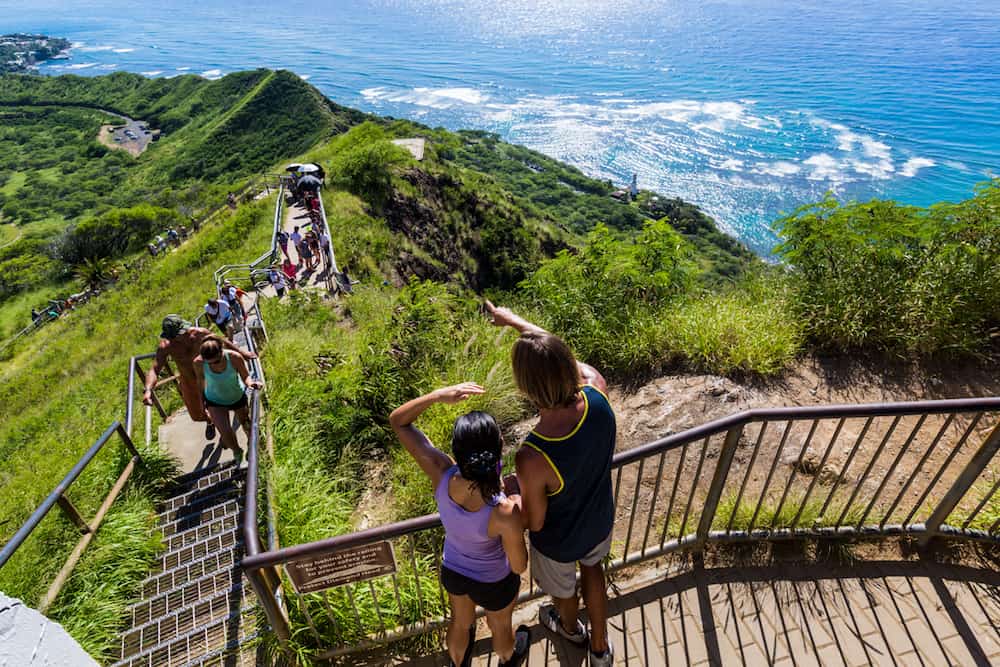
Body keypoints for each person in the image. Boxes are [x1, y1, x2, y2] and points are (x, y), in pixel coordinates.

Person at [485, 301, 616, 667]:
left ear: (526, 388)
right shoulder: (598, 392)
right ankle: (601, 649)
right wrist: (515, 322)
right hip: (599, 520)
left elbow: (536, 521)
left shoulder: (533, 453)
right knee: (593, 569)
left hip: (560, 541)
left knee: (564, 592)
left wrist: (513, 492)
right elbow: (560, 359)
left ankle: (570, 628)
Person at [390, 384, 530, 667]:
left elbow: (398, 421)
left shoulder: (441, 472)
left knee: (460, 623)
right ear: (498, 448)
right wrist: (517, 502)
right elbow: (518, 565)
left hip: (454, 570)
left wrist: (437, 395)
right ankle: (507, 658)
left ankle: (457, 662)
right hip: (495, 580)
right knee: (500, 626)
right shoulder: (504, 509)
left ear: (457, 450)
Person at [142, 315, 257, 440]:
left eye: (180, 333)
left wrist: (242, 353)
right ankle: (210, 421)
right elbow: (155, 368)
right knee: (196, 416)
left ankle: (229, 435)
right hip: (189, 382)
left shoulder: (200, 334)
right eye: (173, 337)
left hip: (209, 378)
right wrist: (148, 390)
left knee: (227, 405)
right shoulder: (166, 347)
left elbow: (222, 342)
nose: (178, 338)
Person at [195, 338, 262, 466]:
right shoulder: (198, 363)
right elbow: (200, 382)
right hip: (214, 400)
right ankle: (237, 452)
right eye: (210, 363)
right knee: (224, 431)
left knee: (246, 423)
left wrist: (251, 383)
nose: (214, 364)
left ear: (222, 351)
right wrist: (201, 403)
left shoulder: (234, 357)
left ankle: (251, 445)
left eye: (217, 361)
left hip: (236, 396)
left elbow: (245, 376)